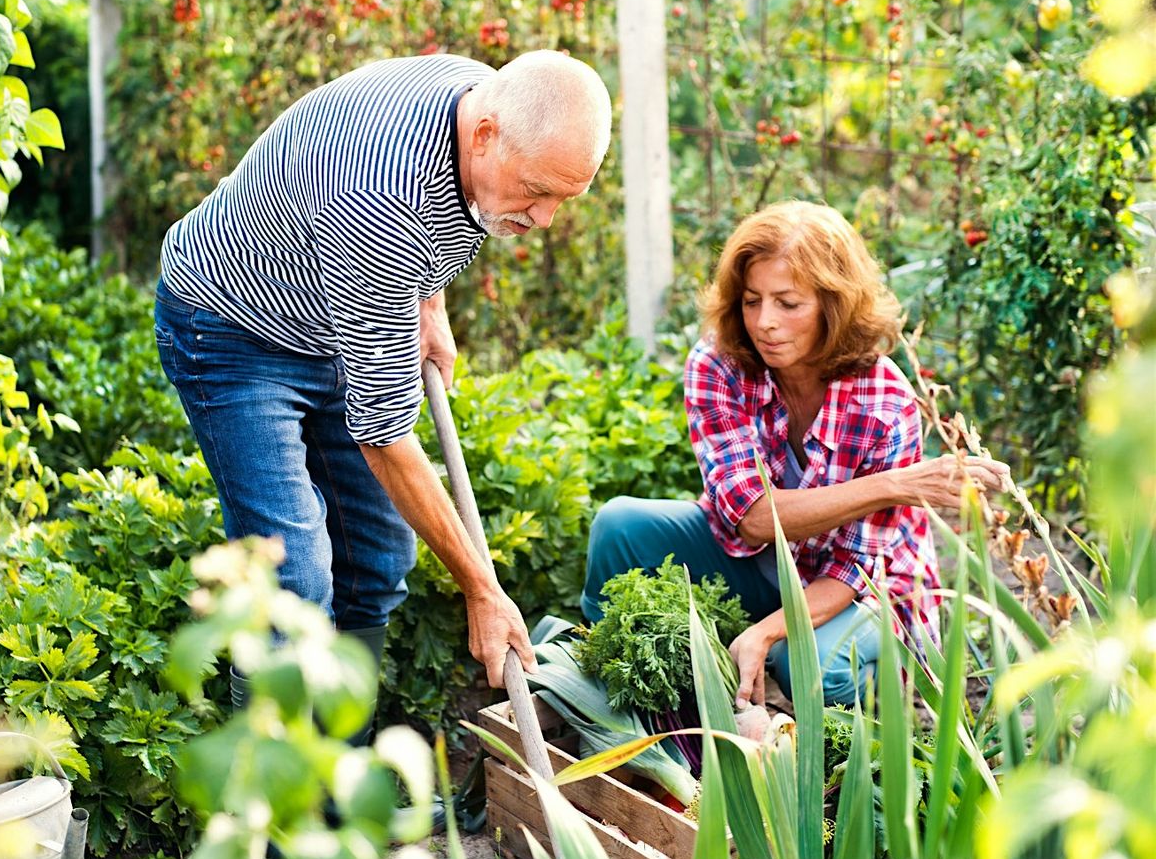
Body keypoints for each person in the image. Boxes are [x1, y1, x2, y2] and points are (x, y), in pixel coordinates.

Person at [155, 50, 612, 709]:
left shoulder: (481, 100)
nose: (543, 220)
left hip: (331, 317)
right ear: (486, 134)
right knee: (296, 580)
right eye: (537, 193)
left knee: (377, 554)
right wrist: (482, 588)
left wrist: (428, 303)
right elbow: (384, 437)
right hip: (232, 331)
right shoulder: (382, 204)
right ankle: (273, 800)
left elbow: (442, 223)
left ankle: (346, 775)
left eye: (561, 200)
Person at [581, 201, 1010, 709]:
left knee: (807, 664)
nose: (765, 322)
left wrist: (766, 633)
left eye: (788, 303)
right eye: (751, 300)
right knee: (619, 528)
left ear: (833, 305)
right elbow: (751, 517)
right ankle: (620, 696)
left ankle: (881, 696)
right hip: (758, 561)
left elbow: (853, 571)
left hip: (861, 595)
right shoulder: (720, 364)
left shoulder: (883, 399)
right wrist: (896, 484)